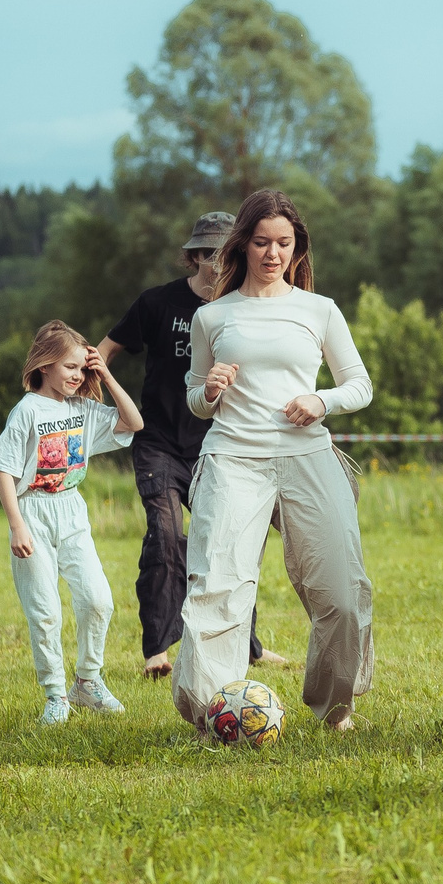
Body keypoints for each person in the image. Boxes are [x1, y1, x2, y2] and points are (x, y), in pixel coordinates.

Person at [173, 191, 375, 733]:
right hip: (233, 458)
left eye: (284, 243)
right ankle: (215, 711)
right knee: (218, 585)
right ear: (243, 244)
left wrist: (321, 401)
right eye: (261, 242)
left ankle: (336, 707)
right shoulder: (213, 315)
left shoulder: (318, 310)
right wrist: (209, 390)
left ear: (297, 246)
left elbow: (360, 384)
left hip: (308, 455)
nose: (272, 253)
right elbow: (195, 395)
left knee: (340, 588)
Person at [100, 212, 282, 680]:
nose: (218, 262)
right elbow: (105, 350)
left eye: (227, 253)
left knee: (230, 545)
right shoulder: (157, 303)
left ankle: (249, 646)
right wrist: (85, 391)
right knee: (165, 537)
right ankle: (157, 651)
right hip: (158, 442)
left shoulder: (243, 307)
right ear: (195, 255)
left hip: (219, 445)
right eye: (209, 254)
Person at [0, 322, 143, 724]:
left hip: (72, 512)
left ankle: (87, 682)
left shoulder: (83, 409)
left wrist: (105, 373)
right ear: (44, 365)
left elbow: (133, 422)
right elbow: (2, 471)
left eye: (81, 368)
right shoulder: (26, 410)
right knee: (45, 611)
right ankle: (56, 694)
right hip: (33, 513)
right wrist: (17, 525)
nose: (77, 375)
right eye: (69, 367)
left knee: (98, 600)